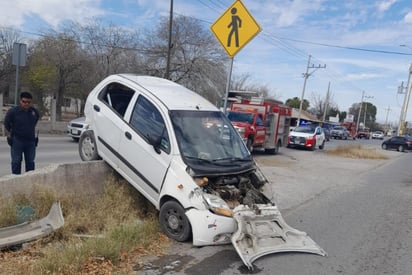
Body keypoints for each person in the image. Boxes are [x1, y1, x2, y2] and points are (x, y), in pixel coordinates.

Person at [4, 92, 40, 174]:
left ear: (31, 102)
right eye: (24, 101)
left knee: (30, 163)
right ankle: (16, 181)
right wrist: (9, 137)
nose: (26, 104)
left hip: (30, 141)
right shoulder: (13, 112)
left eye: (28, 102)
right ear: (20, 101)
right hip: (17, 140)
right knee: (16, 162)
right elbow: (6, 125)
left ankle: (30, 182)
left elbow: (35, 122)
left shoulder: (34, 112)